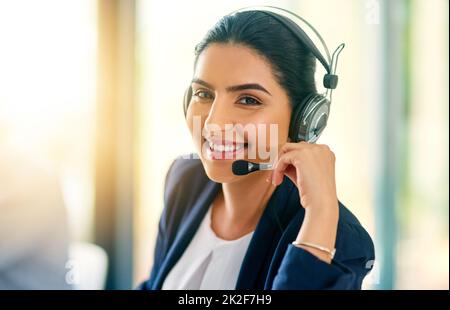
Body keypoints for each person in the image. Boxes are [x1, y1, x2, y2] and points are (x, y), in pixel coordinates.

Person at [139, 7, 375, 290]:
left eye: (248, 100)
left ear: (304, 120)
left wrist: (321, 214)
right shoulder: (186, 179)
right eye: (203, 94)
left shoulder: (339, 237)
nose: (213, 122)